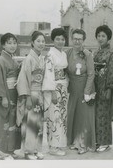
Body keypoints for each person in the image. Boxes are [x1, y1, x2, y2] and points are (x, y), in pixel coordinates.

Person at [0, 33, 21, 160]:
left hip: (14, 93)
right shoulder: (0, 61)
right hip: (6, 94)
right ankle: (2, 150)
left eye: (14, 43)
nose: (12, 45)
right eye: (9, 43)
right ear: (3, 45)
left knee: (13, 122)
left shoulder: (13, 60)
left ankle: (11, 149)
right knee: (5, 122)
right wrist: (2, 97)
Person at [16, 31, 46, 160]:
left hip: (39, 93)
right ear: (32, 43)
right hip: (32, 93)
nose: (41, 43)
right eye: (38, 41)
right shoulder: (29, 59)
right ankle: (28, 151)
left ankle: (37, 149)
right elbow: (23, 79)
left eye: (43, 41)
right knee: (30, 123)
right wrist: (27, 97)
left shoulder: (42, 58)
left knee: (38, 123)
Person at [66, 29, 96, 154]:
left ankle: (83, 144)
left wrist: (87, 91)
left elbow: (91, 74)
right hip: (73, 88)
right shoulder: (68, 52)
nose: (77, 41)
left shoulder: (87, 54)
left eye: (80, 39)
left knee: (84, 117)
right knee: (74, 114)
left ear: (83, 40)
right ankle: (74, 141)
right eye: (75, 38)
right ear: (72, 39)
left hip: (84, 86)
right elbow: (65, 71)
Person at [42, 28, 68, 156]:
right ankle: (53, 146)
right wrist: (52, 92)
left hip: (63, 87)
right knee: (54, 116)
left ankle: (60, 143)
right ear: (53, 40)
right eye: (57, 39)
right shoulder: (50, 55)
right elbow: (48, 74)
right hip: (54, 88)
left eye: (62, 39)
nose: (60, 41)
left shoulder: (64, 54)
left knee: (62, 116)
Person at [93, 25, 113, 152]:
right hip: (95, 88)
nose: (101, 38)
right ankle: (98, 140)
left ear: (108, 38)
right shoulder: (96, 53)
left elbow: (112, 73)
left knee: (104, 115)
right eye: (99, 36)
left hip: (105, 88)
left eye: (103, 36)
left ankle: (105, 142)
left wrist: (109, 88)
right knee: (96, 115)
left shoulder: (111, 55)